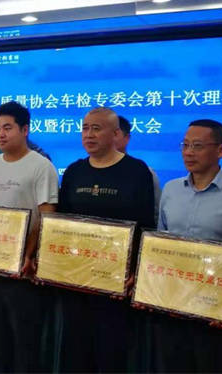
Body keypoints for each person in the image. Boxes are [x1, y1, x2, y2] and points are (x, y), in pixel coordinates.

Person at [154, 119, 222, 372]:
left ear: (221, 150)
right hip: (172, 306)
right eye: (185, 145)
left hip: (215, 311)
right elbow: (159, 245)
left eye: (198, 146)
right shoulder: (171, 190)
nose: (188, 152)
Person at [57, 107, 155, 372]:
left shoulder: (137, 171)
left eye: (96, 129)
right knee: (75, 351)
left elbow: (146, 225)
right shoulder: (74, 171)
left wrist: (135, 270)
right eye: (85, 128)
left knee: (110, 351)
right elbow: (61, 223)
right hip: (76, 277)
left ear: (115, 134)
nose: (89, 134)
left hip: (116, 278)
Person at [0, 101, 58, 373]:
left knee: (25, 341)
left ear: (25, 129)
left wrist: (29, 254)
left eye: (7, 128)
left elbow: (46, 217)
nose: (1, 134)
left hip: (22, 271)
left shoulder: (41, 166)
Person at [115, 115, 161, 224]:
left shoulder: (143, 172)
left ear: (127, 138)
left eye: (114, 134)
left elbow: (155, 214)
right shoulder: (80, 170)